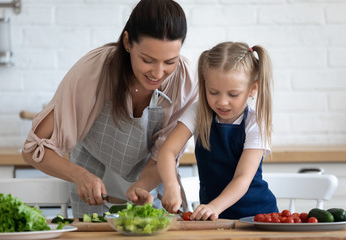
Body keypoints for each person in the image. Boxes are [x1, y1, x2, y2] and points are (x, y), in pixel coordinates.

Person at [22, 0, 197, 218]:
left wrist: (142, 186)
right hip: (91, 189)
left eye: (170, 61)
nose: (158, 73)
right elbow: (32, 149)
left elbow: (163, 155)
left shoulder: (185, 80)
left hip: (150, 189)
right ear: (127, 42)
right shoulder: (94, 72)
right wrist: (78, 175)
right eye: (147, 60)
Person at [157, 41, 278, 220]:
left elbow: (242, 178)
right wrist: (171, 185)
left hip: (256, 217)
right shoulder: (199, 112)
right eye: (213, 92)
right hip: (215, 218)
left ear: (253, 88)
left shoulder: (255, 123)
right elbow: (167, 151)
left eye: (233, 94)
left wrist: (214, 206)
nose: (222, 102)